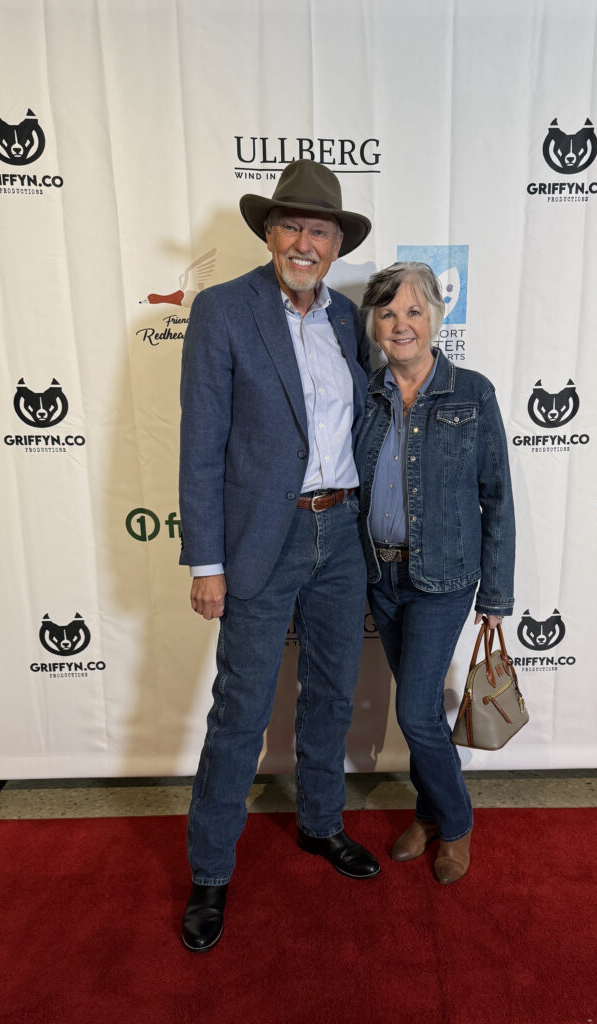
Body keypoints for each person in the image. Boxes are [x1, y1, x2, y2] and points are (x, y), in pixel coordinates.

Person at [178, 160, 379, 953]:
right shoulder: (224, 311)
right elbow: (202, 445)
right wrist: (205, 562)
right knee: (241, 714)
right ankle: (209, 873)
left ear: (335, 244)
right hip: (263, 539)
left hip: (343, 533)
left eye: (319, 230)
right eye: (291, 226)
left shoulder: (344, 320)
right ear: (268, 233)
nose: (304, 241)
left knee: (331, 696)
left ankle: (320, 824)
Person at [355, 262, 515, 884]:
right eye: (388, 313)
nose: (401, 325)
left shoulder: (472, 393)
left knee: (418, 710)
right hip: (380, 576)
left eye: (414, 311)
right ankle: (426, 812)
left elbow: (496, 496)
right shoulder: (367, 395)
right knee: (418, 710)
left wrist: (497, 593)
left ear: (436, 319)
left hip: (444, 579)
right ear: (374, 323)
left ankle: (454, 824)